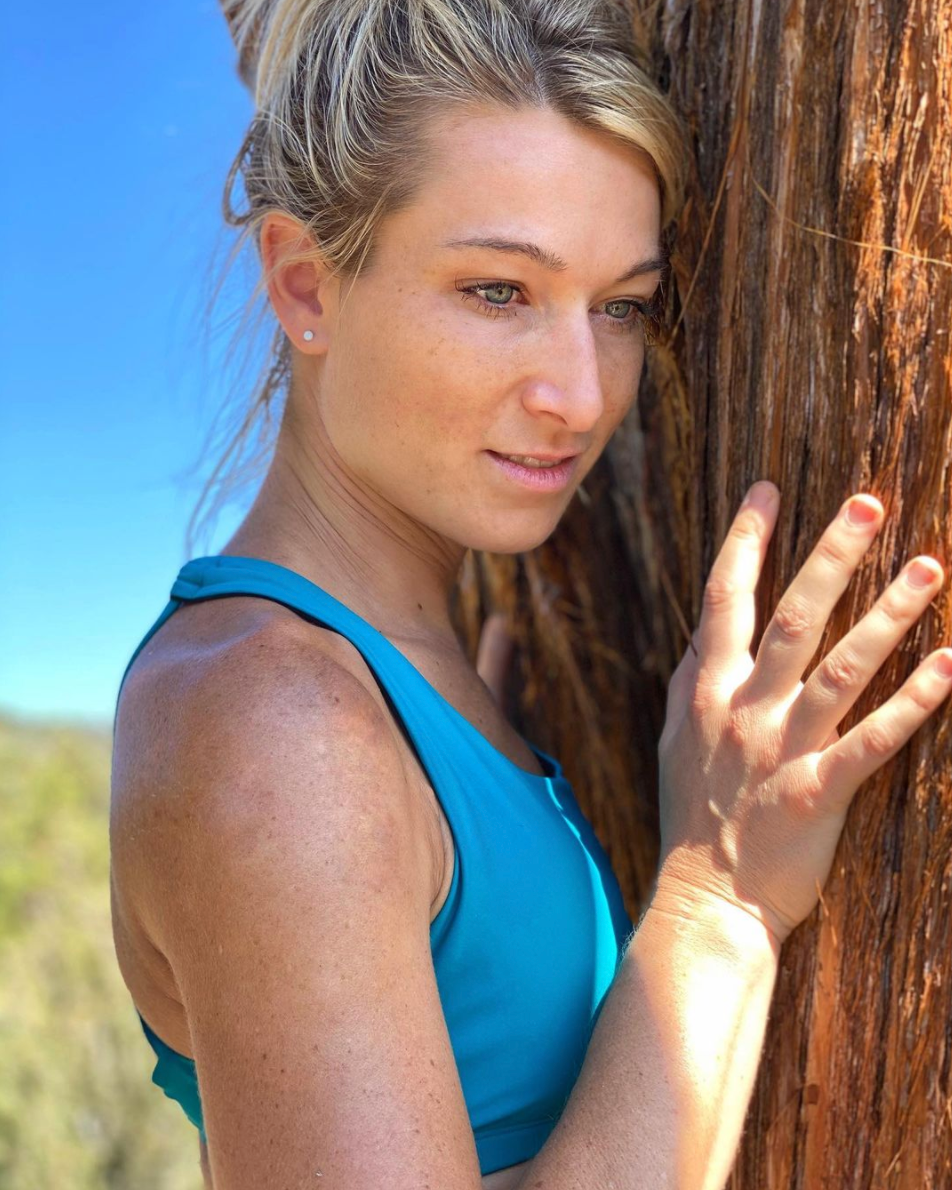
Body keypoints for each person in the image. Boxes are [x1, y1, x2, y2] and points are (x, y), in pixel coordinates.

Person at [109, 2, 952, 1187]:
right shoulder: (281, 724)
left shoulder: (382, 688)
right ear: (306, 285)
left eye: (620, 306)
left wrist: (461, 771)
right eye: (498, 289)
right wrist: (721, 896)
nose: (578, 392)